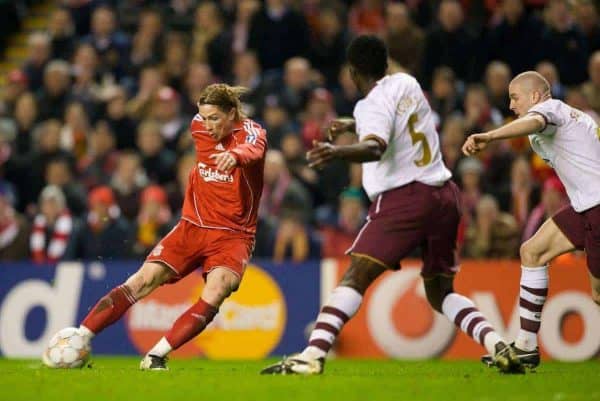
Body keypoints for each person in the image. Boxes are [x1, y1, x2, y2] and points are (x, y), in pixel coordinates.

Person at [261, 35, 523, 375]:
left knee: (354, 276)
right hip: (444, 196)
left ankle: (312, 356)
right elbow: (397, 121)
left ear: (353, 72)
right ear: (385, 65)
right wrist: (353, 124)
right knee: (440, 292)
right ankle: (497, 343)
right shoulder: (406, 83)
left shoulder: (369, 105)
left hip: (405, 198)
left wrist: (338, 150)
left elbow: (375, 147)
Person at [73, 84, 267, 370]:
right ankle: (78, 338)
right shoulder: (198, 126)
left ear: (232, 112)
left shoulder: (251, 133)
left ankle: (156, 355)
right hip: (192, 225)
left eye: (215, 118)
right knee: (142, 280)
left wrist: (236, 156)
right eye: (204, 117)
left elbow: (255, 147)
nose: (208, 125)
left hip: (233, 235)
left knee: (218, 290)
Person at [462, 71, 600, 369]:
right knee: (532, 252)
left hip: (598, 207)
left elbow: (535, 122)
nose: (511, 106)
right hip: (584, 207)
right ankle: (525, 346)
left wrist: (490, 135)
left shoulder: (549, 109)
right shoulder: (574, 114)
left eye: (515, 97)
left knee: (599, 294)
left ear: (536, 96)